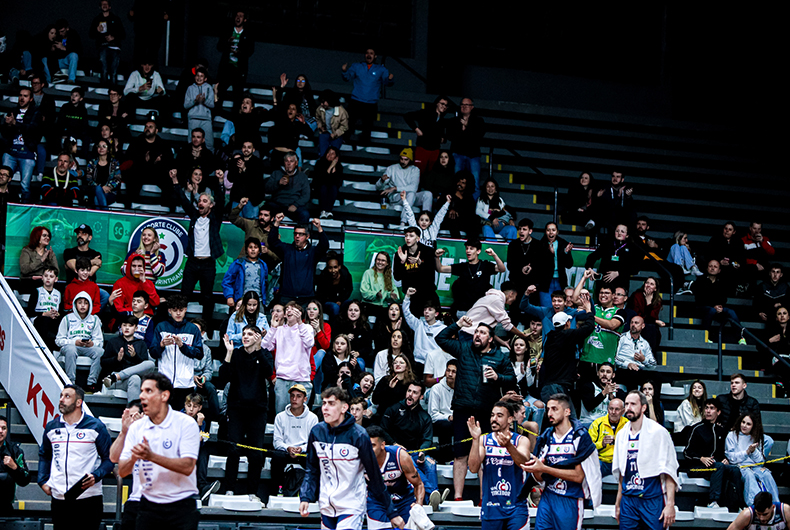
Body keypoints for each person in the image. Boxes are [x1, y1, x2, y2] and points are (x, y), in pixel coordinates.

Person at [435, 316, 517, 501]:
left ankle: (483, 498)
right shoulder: (464, 349)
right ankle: (457, 497)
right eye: (476, 332)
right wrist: (458, 325)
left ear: (490, 339)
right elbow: (440, 339)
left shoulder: (500, 356)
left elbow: (512, 379)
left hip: (487, 412)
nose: (477, 335)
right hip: (463, 410)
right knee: (460, 455)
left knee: (485, 455)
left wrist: (498, 377)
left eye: (482, 333)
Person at [300, 386, 403, 529]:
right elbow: (312, 469)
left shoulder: (359, 435)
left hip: (352, 505)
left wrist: (392, 512)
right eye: (324, 403)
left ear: (344, 408)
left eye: (331, 403)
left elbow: (374, 476)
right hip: (326, 505)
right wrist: (305, 496)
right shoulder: (316, 432)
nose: (325, 408)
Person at [118, 373, 201, 530]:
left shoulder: (186, 424)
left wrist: (152, 456)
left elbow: (187, 466)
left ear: (164, 396)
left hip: (181, 505)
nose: (142, 395)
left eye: (148, 391)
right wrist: (133, 458)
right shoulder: (136, 427)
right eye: (141, 391)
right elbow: (122, 471)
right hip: (148, 504)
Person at [522, 393, 601, 530]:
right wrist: (536, 469)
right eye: (548, 409)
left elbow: (578, 476)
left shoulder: (579, 436)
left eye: (554, 409)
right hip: (548, 496)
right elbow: (539, 476)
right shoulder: (546, 437)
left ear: (567, 411)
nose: (549, 413)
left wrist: (546, 469)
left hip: (570, 498)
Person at [38, 385, 113, 530]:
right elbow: (44, 455)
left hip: (89, 498)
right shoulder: (51, 427)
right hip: (59, 498)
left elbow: (109, 459)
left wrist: (96, 476)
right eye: (61, 396)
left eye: (67, 396)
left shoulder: (95, 426)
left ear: (78, 402)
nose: (61, 400)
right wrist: (42, 480)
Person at [613, 390, 679, 530]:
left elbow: (670, 470)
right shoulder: (621, 435)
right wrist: (618, 503)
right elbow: (621, 474)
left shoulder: (659, 432)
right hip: (628, 499)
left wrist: (670, 504)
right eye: (626, 404)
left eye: (633, 404)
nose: (629, 407)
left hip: (651, 498)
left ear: (643, 407)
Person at [220, 326, 273, 500]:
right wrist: (228, 354)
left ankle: (253, 492)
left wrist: (258, 349)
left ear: (258, 337)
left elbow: (268, 372)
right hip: (236, 408)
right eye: (243, 334)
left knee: (256, 453)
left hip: (257, 410)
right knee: (233, 449)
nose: (245, 337)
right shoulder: (235, 354)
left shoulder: (264, 354)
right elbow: (223, 377)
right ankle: (229, 489)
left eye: (250, 334)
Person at [467, 401, 531, 530]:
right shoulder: (484, 440)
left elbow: (524, 463)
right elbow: (473, 468)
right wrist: (475, 439)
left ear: (510, 419)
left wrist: (508, 446)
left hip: (516, 506)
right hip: (491, 506)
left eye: (499, 415)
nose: (494, 419)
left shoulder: (521, 440)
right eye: (492, 415)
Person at [171, 170, 224, 323]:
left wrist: (220, 182)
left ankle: (205, 326)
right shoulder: (195, 216)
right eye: (200, 200)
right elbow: (183, 199)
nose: (201, 203)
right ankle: (178, 322)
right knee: (184, 295)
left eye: (205, 201)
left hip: (208, 264)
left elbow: (220, 201)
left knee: (207, 296)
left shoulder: (215, 219)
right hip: (193, 263)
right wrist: (175, 180)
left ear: (211, 205)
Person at [380, 382, 440, 502]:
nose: (410, 395)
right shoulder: (393, 409)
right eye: (409, 391)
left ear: (421, 396)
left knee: (430, 463)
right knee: (412, 464)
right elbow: (382, 430)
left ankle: (432, 500)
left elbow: (427, 439)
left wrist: (422, 452)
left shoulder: (424, 416)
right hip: (396, 453)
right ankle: (432, 492)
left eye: (415, 393)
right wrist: (394, 443)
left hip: (416, 453)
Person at [537, 294, 595, 409]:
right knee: (568, 419)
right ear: (567, 323)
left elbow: (562, 358)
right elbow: (589, 327)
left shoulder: (550, 337)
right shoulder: (567, 335)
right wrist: (588, 310)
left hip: (548, 386)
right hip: (557, 388)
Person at [684, 398, 742, 509]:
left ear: (718, 412)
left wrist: (725, 459)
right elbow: (687, 453)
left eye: (712, 408)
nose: (708, 411)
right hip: (696, 468)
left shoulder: (721, 430)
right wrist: (701, 458)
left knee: (735, 470)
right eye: (706, 408)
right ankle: (713, 501)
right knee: (718, 467)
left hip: (714, 466)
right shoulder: (696, 429)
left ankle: (737, 503)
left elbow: (721, 453)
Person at [149, 294, 204, 406]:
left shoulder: (193, 329)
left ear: (185, 310)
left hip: (185, 383)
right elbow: (153, 353)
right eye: (175, 310)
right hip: (165, 382)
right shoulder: (161, 327)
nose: (178, 313)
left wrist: (183, 346)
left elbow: (199, 354)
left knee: (182, 418)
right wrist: (161, 345)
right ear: (169, 311)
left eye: (181, 310)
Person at [366, 425, 425, 528]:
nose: (369, 449)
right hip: (377, 501)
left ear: (382, 445)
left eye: (373, 445)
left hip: (403, 499)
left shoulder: (400, 456)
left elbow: (418, 484)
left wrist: (418, 506)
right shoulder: (360, 458)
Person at [262, 301, 314, 413]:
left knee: (299, 416)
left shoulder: (307, 328)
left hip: (301, 379)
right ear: (285, 315)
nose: (289, 311)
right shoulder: (279, 330)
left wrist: (300, 323)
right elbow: (265, 346)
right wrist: (273, 328)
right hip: (282, 379)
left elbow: (309, 343)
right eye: (287, 309)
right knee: (281, 415)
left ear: (300, 313)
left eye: (293, 309)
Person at [435, 240, 506, 318]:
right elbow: (441, 269)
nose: (468, 251)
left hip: (480, 310)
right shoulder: (462, 267)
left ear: (478, 251)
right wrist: (437, 257)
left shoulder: (485, 265)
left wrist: (494, 255)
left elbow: (502, 269)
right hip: (463, 310)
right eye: (467, 248)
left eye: (471, 248)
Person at [269, 218, 329, 305]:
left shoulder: (313, 252)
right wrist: (277, 223)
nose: (297, 236)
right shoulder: (286, 250)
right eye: (295, 233)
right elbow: (272, 241)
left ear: (307, 236)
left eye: (301, 234)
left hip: (306, 297)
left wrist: (319, 228)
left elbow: (324, 246)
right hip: (286, 296)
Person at [340, 48, 394, 145]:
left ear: (375, 56)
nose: (369, 55)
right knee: (349, 122)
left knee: (367, 126)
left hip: (370, 103)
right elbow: (347, 77)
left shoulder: (381, 69)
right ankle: (345, 141)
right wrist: (344, 71)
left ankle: (364, 145)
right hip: (356, 100)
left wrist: (390, 79)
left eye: (371, 53)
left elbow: (387, 82)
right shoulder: (357, 66)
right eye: (367, 53)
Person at [726, 413, 779, 507]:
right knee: (749, 475)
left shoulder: (758, 437)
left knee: (767, 474)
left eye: (748, 424)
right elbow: (731, 458)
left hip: (755, 467)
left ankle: (775, 504)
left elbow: (760, 462)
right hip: (740, 466)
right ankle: (755, 505)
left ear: (753, 426)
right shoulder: (732, 435)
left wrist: (754, 451)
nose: (744, 426)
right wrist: (747, 452)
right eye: (743, 422)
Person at [55, 292, 104, 392]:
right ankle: (70, 382)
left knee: (100, 351)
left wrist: (92, 343)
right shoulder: (67, 318)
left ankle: (91, 383)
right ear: (75, 304)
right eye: (80, 302)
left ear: (89, 305)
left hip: (87, 347)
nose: (82, 305)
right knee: (71, 350)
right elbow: (59, 340)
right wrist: (74, 342)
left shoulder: (94, 320)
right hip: (71, 346)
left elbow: (99, 340)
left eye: (85, 303)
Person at [101, 315, 156, 402]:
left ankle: (133, 412)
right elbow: (103, 363)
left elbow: (144, 367)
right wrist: (117, 359)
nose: (127, 328)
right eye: (124, 325)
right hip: (114, 382)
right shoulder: (113, 341)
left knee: (149, 365)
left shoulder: (141, 343)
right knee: (135, 378)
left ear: (136, 328)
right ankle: (117, 376)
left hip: (131, 380)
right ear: (120, 327)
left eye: (130, 326)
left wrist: (135, 356)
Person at [1, 87, 41, 203]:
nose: (22, 98)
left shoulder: (36, 112)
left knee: (25, 186)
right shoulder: (13, 111)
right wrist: (7, 125)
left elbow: (33, 129)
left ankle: (24, 211)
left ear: (31, 98)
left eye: (25, 96)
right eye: (20, 95)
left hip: (27, 152)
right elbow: (4, 133)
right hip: (11, 152)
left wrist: (15, 124)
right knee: (2, 181)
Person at [109, 401, 144, 527]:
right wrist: (123, 432)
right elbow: (113, 457)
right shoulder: (129, 436)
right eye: (128, 417)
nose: (131, 421)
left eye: (134, 416)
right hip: (135, 499)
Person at [692, 259, 746, 343]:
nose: (712, 268)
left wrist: (720, 306)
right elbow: (700, 298)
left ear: (719, 270)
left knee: (730, 312)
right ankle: (706, 336)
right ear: (707, 269)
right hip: (703, 309)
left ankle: (740, 338)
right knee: (711, 310)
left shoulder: (722, 282)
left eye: (715, 267)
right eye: (710, 266)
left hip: (717, 308)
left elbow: (723, 298)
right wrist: (714, 306)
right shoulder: (700, 280)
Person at [122, 118, 172, 207]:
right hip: (140, 171)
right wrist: (146, 160)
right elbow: (129, 158)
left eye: (150, 127)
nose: (147, 129)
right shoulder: (136, 142)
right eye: (146, 127)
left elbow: (168, 161)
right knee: (131, 177)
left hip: (156, 172)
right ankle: (131, 207)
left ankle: (165, 208)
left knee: (168, 180)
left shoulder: (163, 144)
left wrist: (156, 162)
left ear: (156, 131)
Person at [375, 149, 432, 225]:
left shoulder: (415, 170)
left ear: (410, 160)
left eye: (406, 159)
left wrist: (395, 188)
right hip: (397, 197)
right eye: (401, 159)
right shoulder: (391, 168)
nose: (403, 161)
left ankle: (426, 221)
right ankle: (403, 222)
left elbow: (414, 187)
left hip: (411, 197)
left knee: (428, 194)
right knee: (410, 194)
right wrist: (381, 181)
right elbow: (378, 187)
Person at [445, 97, 485, 199]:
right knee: (455, 182)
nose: (464, 107)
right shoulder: (453, 121)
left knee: (475, 183)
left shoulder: (478, 121)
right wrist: (464, 131)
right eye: (462, 104)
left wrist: (466, 127)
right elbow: (450, 136)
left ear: (472, 107)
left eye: (466, 105)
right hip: (457, 154)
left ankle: (474, 210)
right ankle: (454, 206)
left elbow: (478, 136)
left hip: (473, 155)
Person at [458, 282, 525, 342]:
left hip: (470, 333)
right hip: (471, 335)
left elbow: (489, 329)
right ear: (511, 294)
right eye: (515, 297)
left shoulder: (491, 298)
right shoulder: (497, 300)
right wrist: (523, 336)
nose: (515, 300)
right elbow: (507, 325)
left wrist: (503, 342)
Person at [216, 10, 254, 108]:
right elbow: (219, 47)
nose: (238, 17)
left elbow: (250, 51)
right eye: (237, 15)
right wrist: (227, 42)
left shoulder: (248, 34)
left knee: (237, 97)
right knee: (220, 93)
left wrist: (239, 53)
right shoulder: (228, 31)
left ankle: (235, 119)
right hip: (226, 68)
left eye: (241, 16)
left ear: (245, 20)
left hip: (239, 69)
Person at [393, 227, 437, 312]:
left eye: (411, 236)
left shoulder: (428, 252)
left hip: (427, 295)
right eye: (406, 236)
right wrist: (402, 263)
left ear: (418, 238)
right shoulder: (400, 253)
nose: (408, 238)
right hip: (410, 296)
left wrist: (421, 263)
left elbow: (431, 276)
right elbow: (397, 277)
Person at [403, 287, 446, 372]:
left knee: (433, 383)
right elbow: (406, 313)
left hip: (434, 364)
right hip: (417, 363)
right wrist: (407, 297)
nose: (426, 312)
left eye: (430, 310)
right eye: (425, 310)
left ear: (436, 313)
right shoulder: (418, 325)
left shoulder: (443, 329)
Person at [584, 224, 638, 290]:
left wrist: (618, 273)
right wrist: (590, 268)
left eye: (622, 232)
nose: (619, 233)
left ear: (627, 235)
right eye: (617, 231)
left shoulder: (631, 248)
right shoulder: (607, 244)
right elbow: (592, 257)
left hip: (621, 284)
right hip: (604, 283)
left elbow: (635, 269)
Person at [404, 96, 450, 173]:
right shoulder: (425, 113)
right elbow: (407, 116)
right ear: (437, 104)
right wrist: (416, 129)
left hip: (435, 150)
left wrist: (443, 139)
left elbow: (445, 135)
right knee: (418, 173)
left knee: (431, 174)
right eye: (442, 104)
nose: (444, 106)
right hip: (422, 148)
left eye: (446, 105)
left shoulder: (443, 119)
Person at [266, 151, 312, 223]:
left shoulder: (302, 176)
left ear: (296, 163)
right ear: (284, 162)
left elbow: (306, 195)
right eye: (287, 161)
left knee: (305, 214)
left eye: (291, 161)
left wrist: (295, 205)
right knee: (265, 209)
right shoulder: (276, 173)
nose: (289, 163)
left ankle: (300, 233)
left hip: (294, 205)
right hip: (277, 204)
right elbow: (267, 189)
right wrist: (278, 183)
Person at [222, 237, 268, 308]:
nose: (253, 249)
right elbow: (227, 281)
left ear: (259, 250)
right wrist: (229, 296)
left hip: (258, 301)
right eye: (250, 247)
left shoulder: (263, 265)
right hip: (241, 300)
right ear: (246, 250)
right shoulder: (238, 263)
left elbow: (265, 283)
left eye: (255, 247)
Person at [614, 316, 657, 389]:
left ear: (643, 326)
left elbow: (653, 365)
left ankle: (653, 400)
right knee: (632, 375)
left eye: (636, 323)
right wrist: (628, 364)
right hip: (623, 370)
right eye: (632, 323)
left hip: (639, 370)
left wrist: (643, 360)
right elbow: (614, 356)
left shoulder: (645, 343)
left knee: (656, 377)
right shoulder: (621, 338)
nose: (633, 325)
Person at [89, 0, 125, 85]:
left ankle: (113, 91)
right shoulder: (97, 19)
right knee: (104, 69)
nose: (104, 6)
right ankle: (104, 88)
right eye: (102, 4)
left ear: (110, 7)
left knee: (113, 71)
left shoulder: (116, 19)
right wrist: (96, 30)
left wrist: (113, 37)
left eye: (106, 4)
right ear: (100, 7)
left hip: (114, 46)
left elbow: (123, 34)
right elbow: (91, 35)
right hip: (102, 46)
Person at [507, 218, 545, 300]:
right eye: (520, 229)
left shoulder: (538, 245)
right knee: (515, 310)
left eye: (524, 229)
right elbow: (510, 265)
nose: (521, 231)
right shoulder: (513, 245)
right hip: (516, 284)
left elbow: (542, 266)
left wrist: (532, 268)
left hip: (532, 285)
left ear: (530, 231)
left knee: (531, 310)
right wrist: (521, 268)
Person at [538, 222, 574, 307]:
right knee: (546, 309)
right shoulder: (540, 245)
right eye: (548, 230)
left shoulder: (563, 244)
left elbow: (569, 265)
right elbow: (538, 264)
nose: (551, 232)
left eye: (553, 230)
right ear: (545, 232)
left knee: (559, 308)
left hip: (560, 281)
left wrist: (566, 253)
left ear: (557, 232)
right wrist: (550, 254)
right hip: (545, 282)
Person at [0, 415, 31, 514]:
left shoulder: (15, 450)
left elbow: (25, 480)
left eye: (3, 428)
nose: (0, 431)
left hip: (5, 505)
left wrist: (15, 467)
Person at [579, 362, 626, 427]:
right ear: (598, 373)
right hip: (589, 423)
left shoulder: (618, 391)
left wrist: (612, 398)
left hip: (608, 424)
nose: (604, 374)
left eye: (608, 372)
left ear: (613, 375)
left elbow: (622, 411)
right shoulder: (589, 386)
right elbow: (589, 406)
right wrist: (604, 393)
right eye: (602, 371)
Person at [26, 266, 62, 351]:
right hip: (38, 319)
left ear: (56, 279)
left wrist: (56, 314)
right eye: (46, 276)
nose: (48, 278)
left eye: (51, 276)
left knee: (60, 320)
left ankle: (56, 347)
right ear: (42, 278)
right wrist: (44, 314)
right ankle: (44, 348)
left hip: (53, 318)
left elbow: (61, 311)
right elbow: (29, 312)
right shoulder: (37, 291)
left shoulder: (58, 293)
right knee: (45, 320)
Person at [589, 398, 627, 477]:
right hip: (602, 461)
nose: (613, 412)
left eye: (617, 409)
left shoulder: (628, 425)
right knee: (591, 466)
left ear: (623, 411)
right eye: (611, 409)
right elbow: (588, 447)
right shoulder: (597, 423)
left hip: (621, 462)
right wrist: (601, 444)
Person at [427, 360, 456, 461]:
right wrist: (448, 417)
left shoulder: (462, 388)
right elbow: (432, 415)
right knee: (445, 426)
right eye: (448, 371)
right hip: (440, 422)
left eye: (454, 371)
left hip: (457, 420)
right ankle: (446, 458)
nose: (450, 374)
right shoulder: (436, 388)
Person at [184, 66, 215, 152]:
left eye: (201, 76)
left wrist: (204, 101)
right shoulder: (190, 88)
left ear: (205, 78)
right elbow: (186, 105)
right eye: (197, 76)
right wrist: (195, 101)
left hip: (206, 119)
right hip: (193, 118)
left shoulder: (209, 88)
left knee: (209, 143)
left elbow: (212, 105)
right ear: (195, 77)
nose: (199, 78)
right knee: (192, 143)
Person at [631, 277, 665, 353]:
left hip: (649, 325)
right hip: (635, 323)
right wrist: (655, 321)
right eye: (647, 283)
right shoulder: (636, 295)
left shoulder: (657, 300)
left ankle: (649, 356)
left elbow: (652, 316)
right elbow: (637, 315)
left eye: (652, 284)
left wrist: (648, 300)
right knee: (648, 326)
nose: (648, 285)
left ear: (655, 289)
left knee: (652, 328)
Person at [84, 139, 121, 208]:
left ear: (108, 150)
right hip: (94, 191)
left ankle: (100, 217)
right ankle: (104, 215)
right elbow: (89, 179)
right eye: (99, 146)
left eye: (104, 146)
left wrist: (109, 187)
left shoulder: (114, 163)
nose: (101, 148)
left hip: (109, 193)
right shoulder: (92, 163)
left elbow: (117, 179)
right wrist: (101, 188)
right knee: (98, 189)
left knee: (96, 198)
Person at [360, 252, 400, 317]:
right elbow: (364, 292)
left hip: (383, 307)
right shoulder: (368, 273)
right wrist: (376, 294)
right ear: (375, 261)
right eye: (378, 260)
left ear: (387, 263)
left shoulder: (389, 276)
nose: (380, 262)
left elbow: (395, 295)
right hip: (369, 306)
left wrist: (391, 295)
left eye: (383, 260)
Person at [19, 226, 59, 290]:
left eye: (48, 236)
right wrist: (41, 260)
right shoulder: (27, 251)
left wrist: (51, 259)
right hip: (29, 284)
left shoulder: (49, 253)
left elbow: (56, 271)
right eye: (44, 235)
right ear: (37, 237)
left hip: (45, 285)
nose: (47, 238)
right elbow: (24, 270)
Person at [315, 254, 354, 320]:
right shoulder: (323, 277)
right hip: (327, 303)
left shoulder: (345, 275)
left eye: (335, 267)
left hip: (341, 301)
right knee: (335, 307)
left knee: (352, 303)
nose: (333, 271)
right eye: (330, 268)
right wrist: (334, 301)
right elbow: (321, 295)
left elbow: (349, 289)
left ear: (339, 267)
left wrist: (340, 300)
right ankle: (335, 327)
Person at [726, 492, 790, 530]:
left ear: (773, 507)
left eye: (765, 514)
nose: (761, 518)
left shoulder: (784, 511)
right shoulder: (747, 514)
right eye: (758, 514)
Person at [441, 171, 477, 238]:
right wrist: (450, 210)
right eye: (458, 181)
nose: (459, 184)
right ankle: (457, 244)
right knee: (453, 218)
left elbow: (470, 213)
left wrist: (461, 199)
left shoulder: (469, 197)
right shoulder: (448, 191)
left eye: (463, 183)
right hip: (448, 220)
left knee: (475, 220)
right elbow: (439, 205)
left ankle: (472, 244)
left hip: (463, 221)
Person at [312, 146, 344, 220]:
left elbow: (337, 182)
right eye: (328, 153)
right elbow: (321, 179)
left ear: (336, 157)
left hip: (331, 188)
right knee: (323, 187)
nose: (329, 155)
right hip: (319, 187)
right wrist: (330, 167)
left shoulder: (339, 167)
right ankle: (323, 211)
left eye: (332, 154)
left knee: (333, 188)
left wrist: (334, 167)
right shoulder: (319, 163)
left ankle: (328, 211)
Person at [315, 90, 349, 157]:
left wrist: (336, 133)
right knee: (323, 154)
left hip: (336, 135)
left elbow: (344, 126)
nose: (321, 104)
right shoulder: (320, 109)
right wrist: (320, 126)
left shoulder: (342, 112)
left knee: (333, 155)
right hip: (324, 133)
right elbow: (318, 118)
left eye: (323, 102)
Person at [742, 222, 776, 286]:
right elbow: (741, 257)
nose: (756, 231)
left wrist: (762, 241)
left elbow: (772, 253)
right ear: (750, 228)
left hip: (764, 266)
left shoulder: (765, 239)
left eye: (759, 229)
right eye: (754, 228)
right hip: (750, 266)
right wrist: (755, 263)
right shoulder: (744, 240)